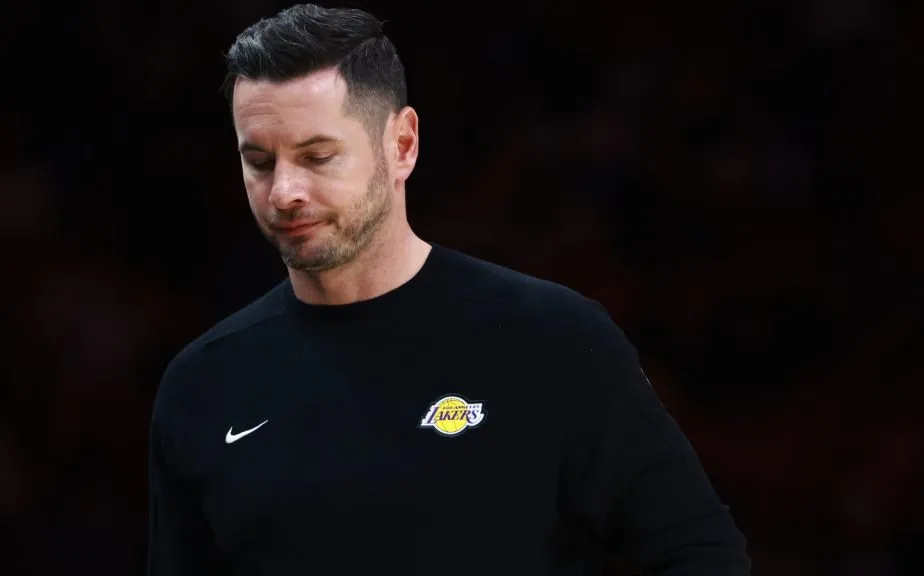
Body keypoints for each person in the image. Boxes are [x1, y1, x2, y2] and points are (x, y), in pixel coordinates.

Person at [146, 4, 751, 575]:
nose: (284, 191)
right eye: (259, 161)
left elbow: (702, 553)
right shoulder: (203, 385)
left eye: (318, 155)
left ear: (401, 144)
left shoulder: (551, 339)